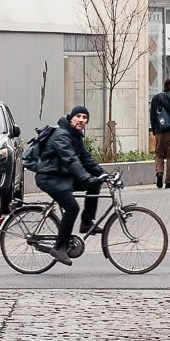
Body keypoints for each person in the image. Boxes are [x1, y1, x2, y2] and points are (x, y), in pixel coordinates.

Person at [33, 105, 106, 263]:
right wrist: (86, 177)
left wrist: (103, 174)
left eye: (85, 117)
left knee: (95, 185)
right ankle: (59, 247)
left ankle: (86, 222)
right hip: (49, 177)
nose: (81, 120)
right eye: (78, 116)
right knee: (72, 207)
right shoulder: (61, 135)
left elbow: (87, 160)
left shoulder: (75, 136)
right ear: (71, 118)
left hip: (63, 177)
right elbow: (72, 161)